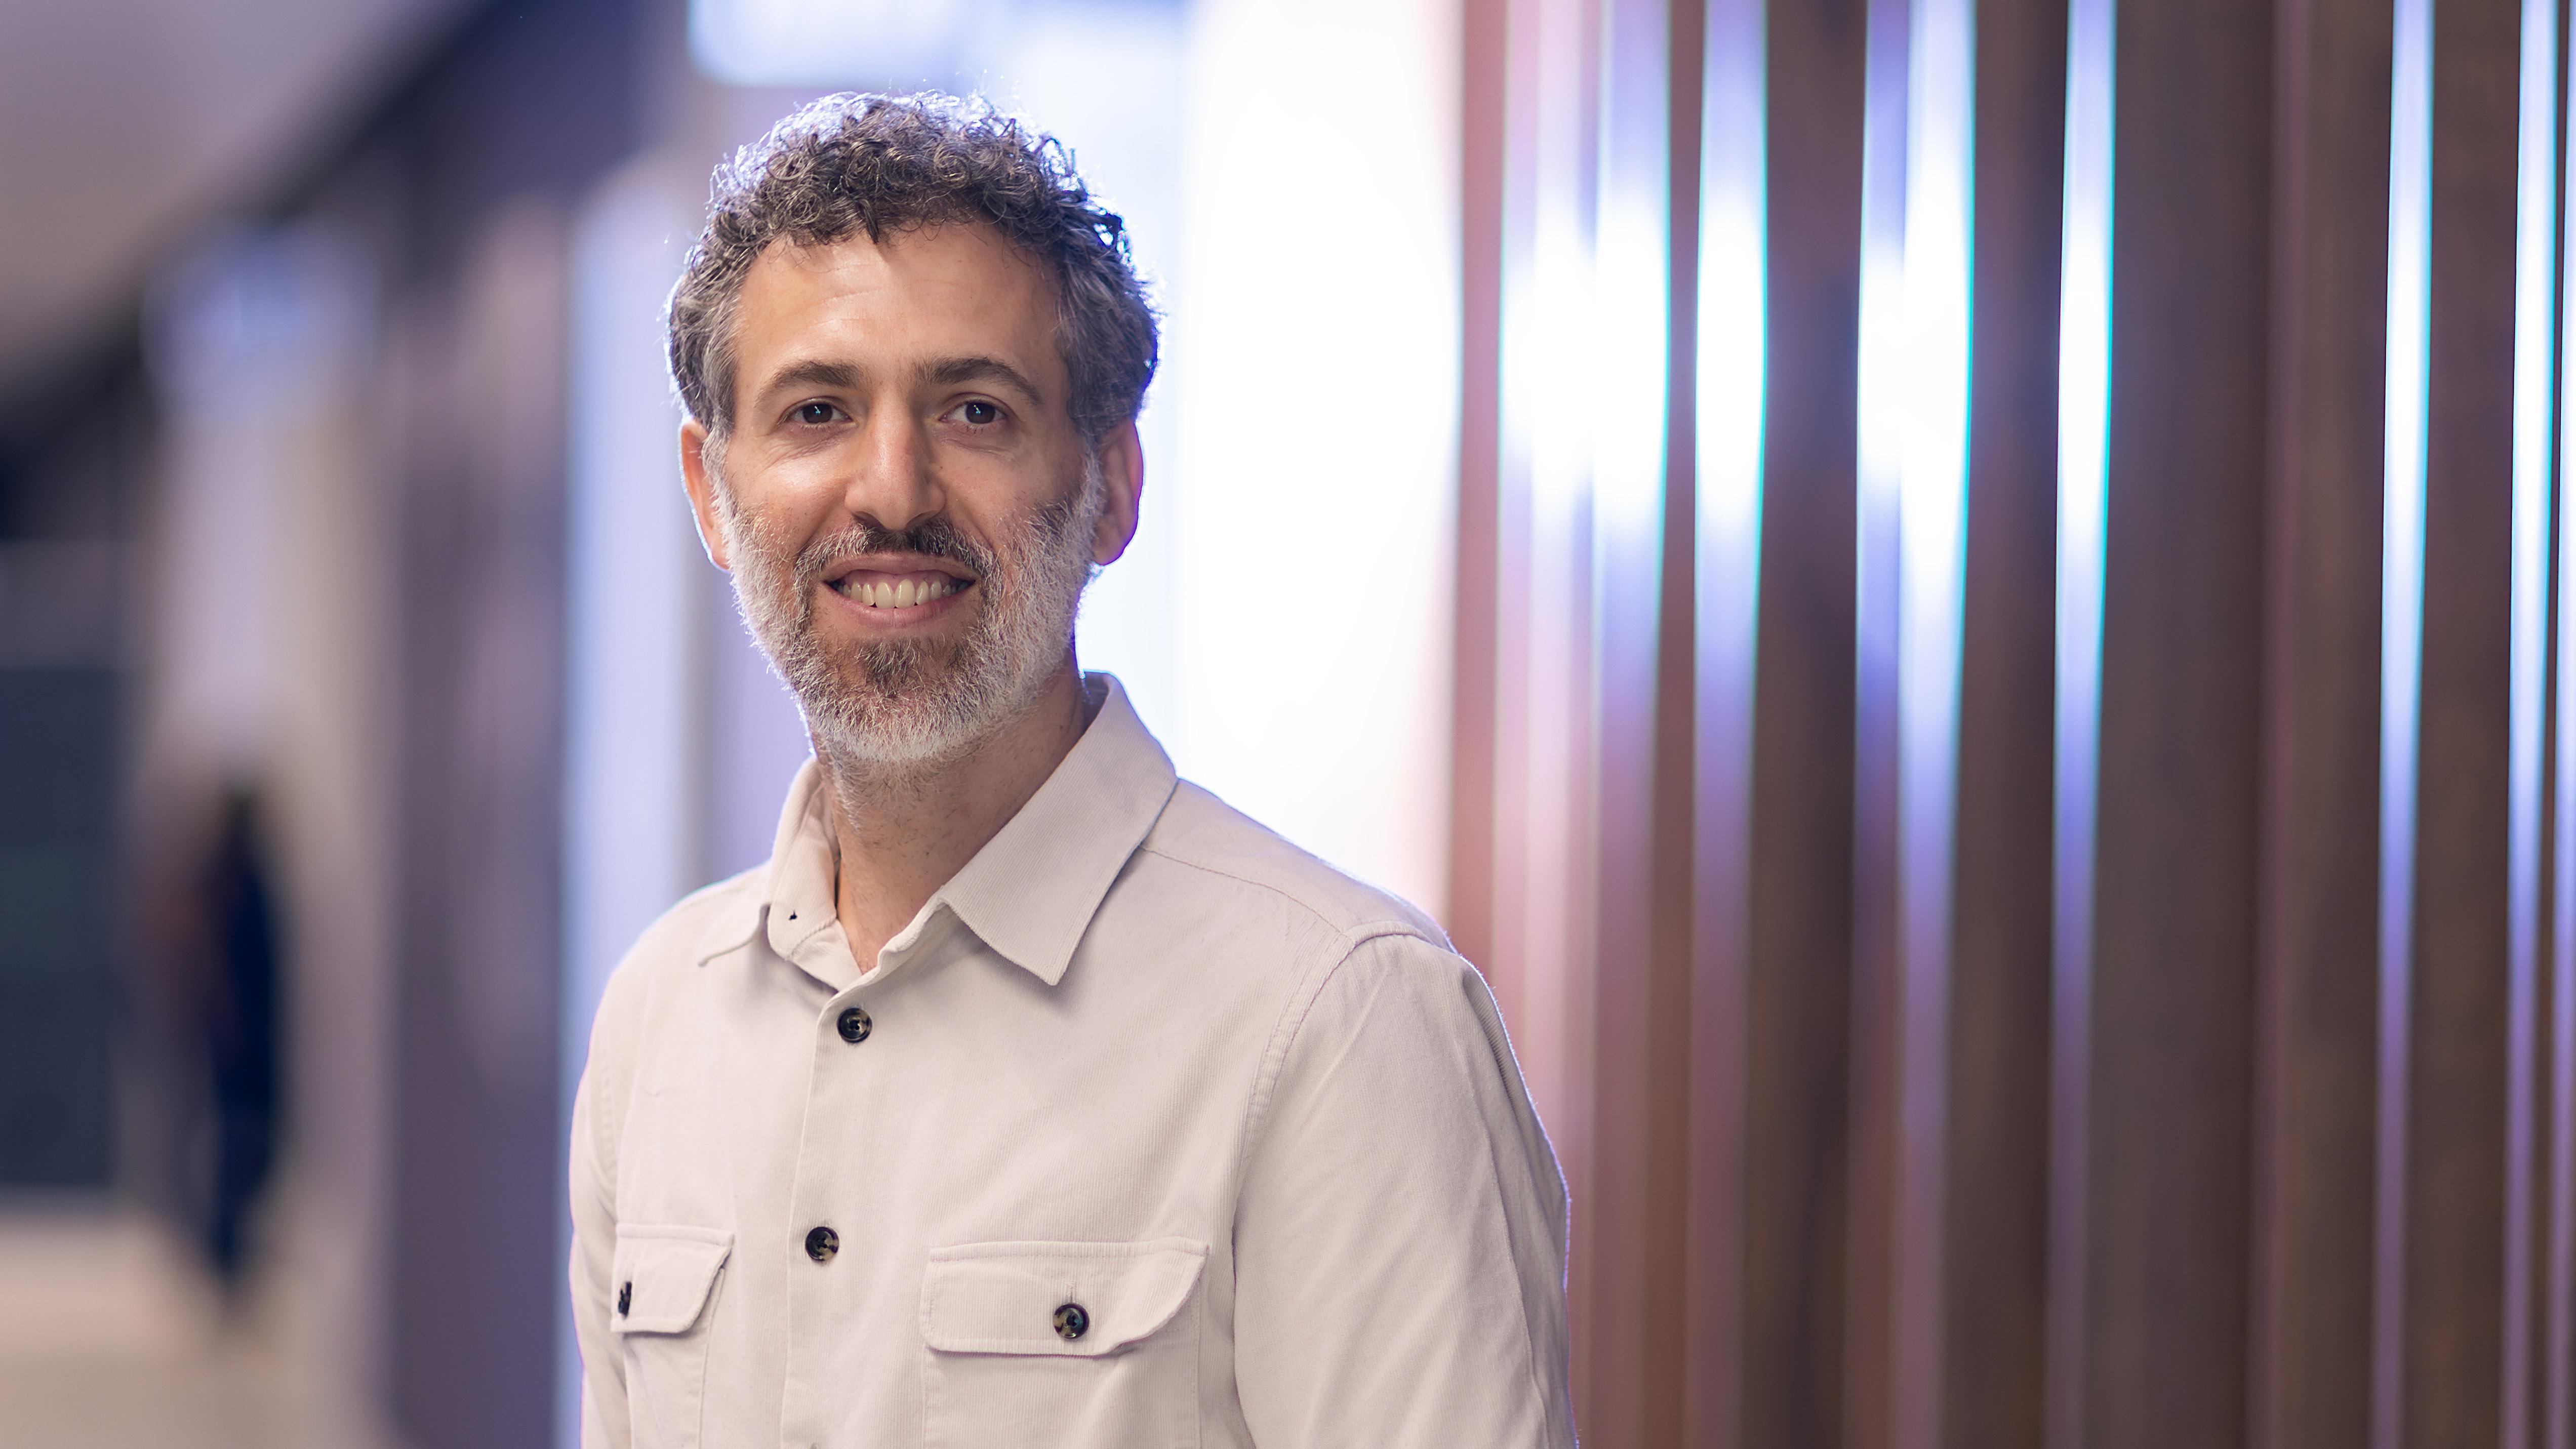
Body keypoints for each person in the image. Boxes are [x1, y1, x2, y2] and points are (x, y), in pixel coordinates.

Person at [568, 92, 1572, 1448]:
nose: (892, 490)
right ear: (711, 493)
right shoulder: (660, 1019)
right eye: (816, 410)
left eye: (974, 410)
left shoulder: (1340, 1026)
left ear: (1110, 487)